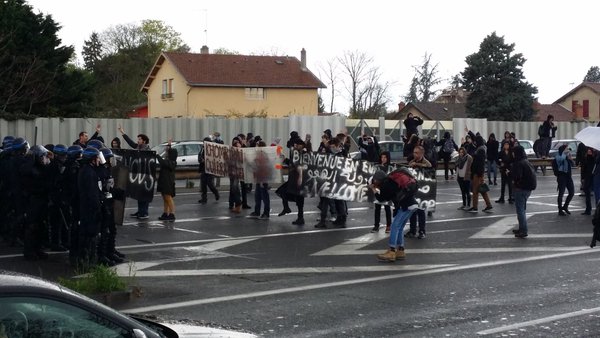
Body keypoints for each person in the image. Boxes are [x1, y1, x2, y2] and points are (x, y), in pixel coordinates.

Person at [371, 168, 419, 262]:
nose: (374, 181)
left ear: (378, 179)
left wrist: (373, 189)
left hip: (406, 206)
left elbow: (381, 199)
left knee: (394, 227)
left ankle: (392, 251)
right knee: (399, 227)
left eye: (375, 180)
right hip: (412, 205)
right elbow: (391, 197)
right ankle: (400, 251)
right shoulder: (391, 182)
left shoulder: (386, 185)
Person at [20, 145, 52, 260]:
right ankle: (29, 251)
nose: (45, 158)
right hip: (33, 201)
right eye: (42, 156)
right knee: (32, 226)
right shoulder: (28, 168)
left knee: (41, 226)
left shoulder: (41, 168)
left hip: (42, 200)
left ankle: (38, 249)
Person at [117, 125, 151, 219]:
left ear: (144, 141)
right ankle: (140, 211)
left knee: (144, 194)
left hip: (146, 175)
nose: (138, 141)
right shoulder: (138, 148)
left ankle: (144, 212)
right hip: (138, 175)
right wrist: (123, 133)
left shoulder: (147, 150)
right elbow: (131, 143)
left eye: (139, 139)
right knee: (139, 194)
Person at [510, 145, 537, 238]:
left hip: (521, 189)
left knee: (520, 210)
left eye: (513, 152)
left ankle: (523, 230)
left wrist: (509, 174)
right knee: (522, 209)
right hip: (528, 189)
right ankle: (521, 228)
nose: (512, 154)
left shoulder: (518, 163)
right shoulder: (526, 161)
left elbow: (517, 176)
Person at [406, 145, 431, 239]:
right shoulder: (412, 162)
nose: (414, 154)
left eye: (416, 153)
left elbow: (429, 168)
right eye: (414, 152)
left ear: (421, 153)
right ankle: (412, 230)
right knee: (412, 211)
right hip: (413, 190)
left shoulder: (426, 162)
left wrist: (417, 165)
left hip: (422, 190)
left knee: (421, 211)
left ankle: (422, 231)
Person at [468, 135, 493, 213]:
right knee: (482, 190)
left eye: (476, 141)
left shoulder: (480, 150)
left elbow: (480, 163)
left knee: (475, 190)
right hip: (479, 172)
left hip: (477, 172)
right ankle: (488, 205)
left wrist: (478, 173)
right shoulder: (481, 148)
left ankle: (475, 207)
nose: (474, 142)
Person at [248, 141, 271, 220]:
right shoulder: (258, 154)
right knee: (257, 196)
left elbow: (262, 167)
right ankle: (257, 211)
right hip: (259, 178)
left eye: (257, 145)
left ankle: (266, 213)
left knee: (265, 197)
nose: (256, 147)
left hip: (263, 179)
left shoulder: (262, 155)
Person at [156, 140, 178, 221]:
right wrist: (169, 145)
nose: (166, 153)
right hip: (163, 180)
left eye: (168, 152)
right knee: (164, 197)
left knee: (168, 197)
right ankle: (165, 213)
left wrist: (157, 155)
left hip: (168, 181)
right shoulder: (169, 160)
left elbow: (162, 162)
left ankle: (172, 213)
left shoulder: (172, 162)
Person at [371, 151, 392, 233]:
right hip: (378, 188)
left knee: (387, 208)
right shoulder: (377, 167)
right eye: (382, 157)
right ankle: (376, 226)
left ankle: (388, 226)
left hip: (386, 189)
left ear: (388, 158)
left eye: (385, 157)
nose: (383, 159)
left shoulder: (390, 167)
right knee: (377, 208)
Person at [554, 144, 574, 216]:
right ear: (563, 150)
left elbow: (573, 165)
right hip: (562, 177)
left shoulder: (567, 157)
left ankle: (565, 206)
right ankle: (560, 210)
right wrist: (560, 174)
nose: (568, 150)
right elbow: (555, 170)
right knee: (561, 194)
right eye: (566, 149)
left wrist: (570, 159)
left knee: (571, 192)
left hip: (568, 177)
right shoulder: (557, 158)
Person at [198, 137, 220, 203]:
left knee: (210, 184)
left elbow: (215, 158)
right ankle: (204, 198)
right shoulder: (202, 149)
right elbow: (199, 156)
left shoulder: (212, 149)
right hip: (203, 168)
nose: (203, 143)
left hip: (210, 169)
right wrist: (201, 160)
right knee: (203, 184)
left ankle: (216, 192)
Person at [580, 147, 596, 215]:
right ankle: (588, 210)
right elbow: (583, 169)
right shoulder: (586, 158)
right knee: (587, 192)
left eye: (590, 151)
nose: (589, 152)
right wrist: (583, 178)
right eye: (588, 151)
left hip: (592, 177)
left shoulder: (594, 159)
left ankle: (589, 210)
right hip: (588, 177)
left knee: (590, 193)